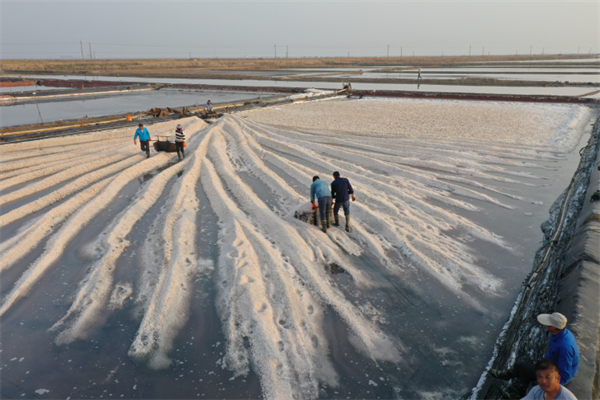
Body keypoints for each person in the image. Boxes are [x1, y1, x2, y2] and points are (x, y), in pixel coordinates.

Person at [489, 312, 579, 399]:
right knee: (522, 366)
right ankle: (507, 377)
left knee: (523, 369)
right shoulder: (561, 334)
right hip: (551, 365)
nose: (545, 325)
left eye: (548, 323)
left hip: (554, 373)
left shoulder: (564, 346)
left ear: (553, 327)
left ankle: (515, 394)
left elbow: (565, 371)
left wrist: (552, 387)